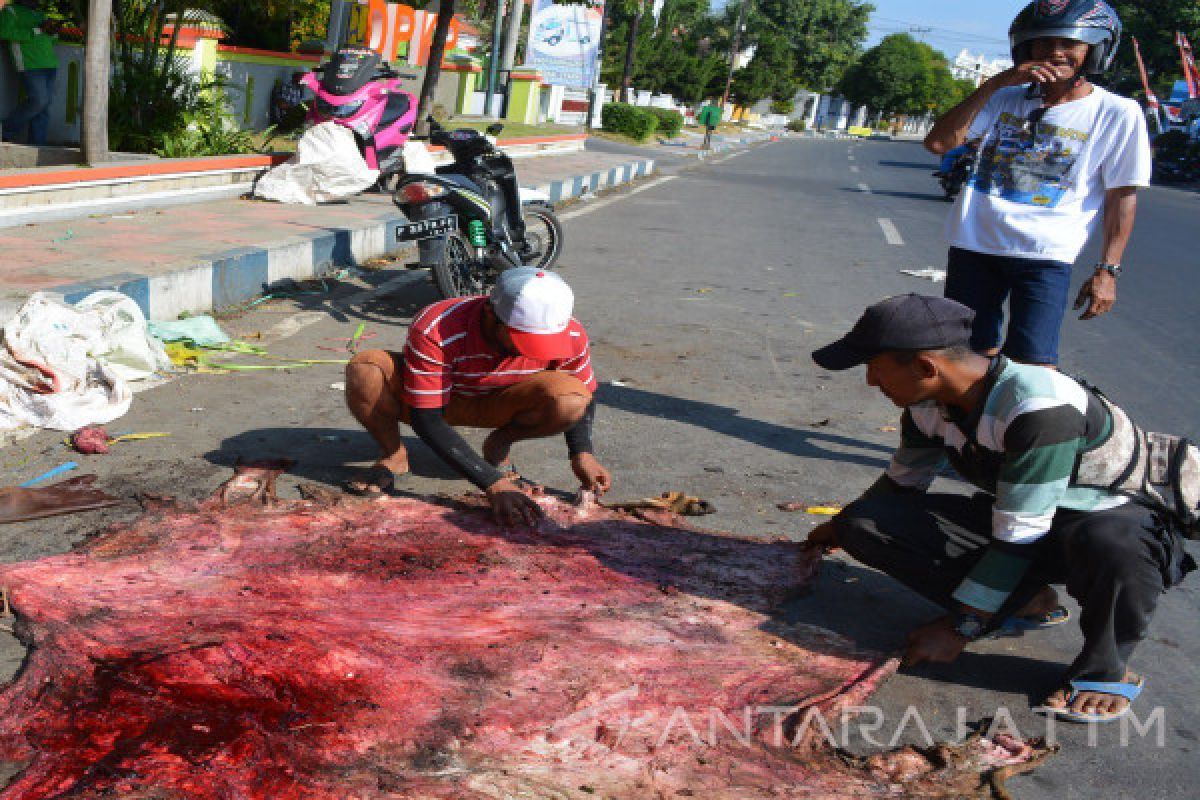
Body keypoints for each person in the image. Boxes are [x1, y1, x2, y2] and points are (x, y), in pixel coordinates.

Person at [805, 294, 1195, 723]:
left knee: (1111, 543)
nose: (870, 382)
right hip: (1023, 515)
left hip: (1104, 520)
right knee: (866, 524)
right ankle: (1028, 600)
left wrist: (961, 628)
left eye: (873, 368)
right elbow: (902, 484)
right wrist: (841, 525)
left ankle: (1105, 667)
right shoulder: (926, 406)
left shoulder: (1040, 409)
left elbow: (1019, 534)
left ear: (925, 368)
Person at [923, 0, 1151, 368]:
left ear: (1094, 51)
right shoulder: (1002, 98)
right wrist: (996, 83)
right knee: (963, 359)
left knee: (1033, 365)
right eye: (1043, 43)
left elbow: (1122, 197)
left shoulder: (1118, 113)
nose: (1055, 53)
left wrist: (1107, 271)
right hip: (974, 245)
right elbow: (938, 144)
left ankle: (1015, 425)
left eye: (1068, 44)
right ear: (1024, 49)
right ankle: (967, 426)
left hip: (1045, 257)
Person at [344, 267, 612, 526]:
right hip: (440, 398)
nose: (526, 352)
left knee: (574, 398)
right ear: (490, 314)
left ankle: (498, 445)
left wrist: (582, 454)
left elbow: (585, 388)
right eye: (521, 341)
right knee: (366, 369)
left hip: (506, 400)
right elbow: (426, 417)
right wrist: (493, 483)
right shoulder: (436, 326)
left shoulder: (570, 333)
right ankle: (393, 455)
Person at [0, 0, 59, 145]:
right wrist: (36, 31)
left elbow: (49, 40)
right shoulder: (9, 10)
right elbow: (4, 32)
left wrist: (53, 33)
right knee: (39, 101)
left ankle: (37, 145)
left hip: (49, 63)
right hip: (29, 64)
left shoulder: (41, 14)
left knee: (43, 108)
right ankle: (5, 130)